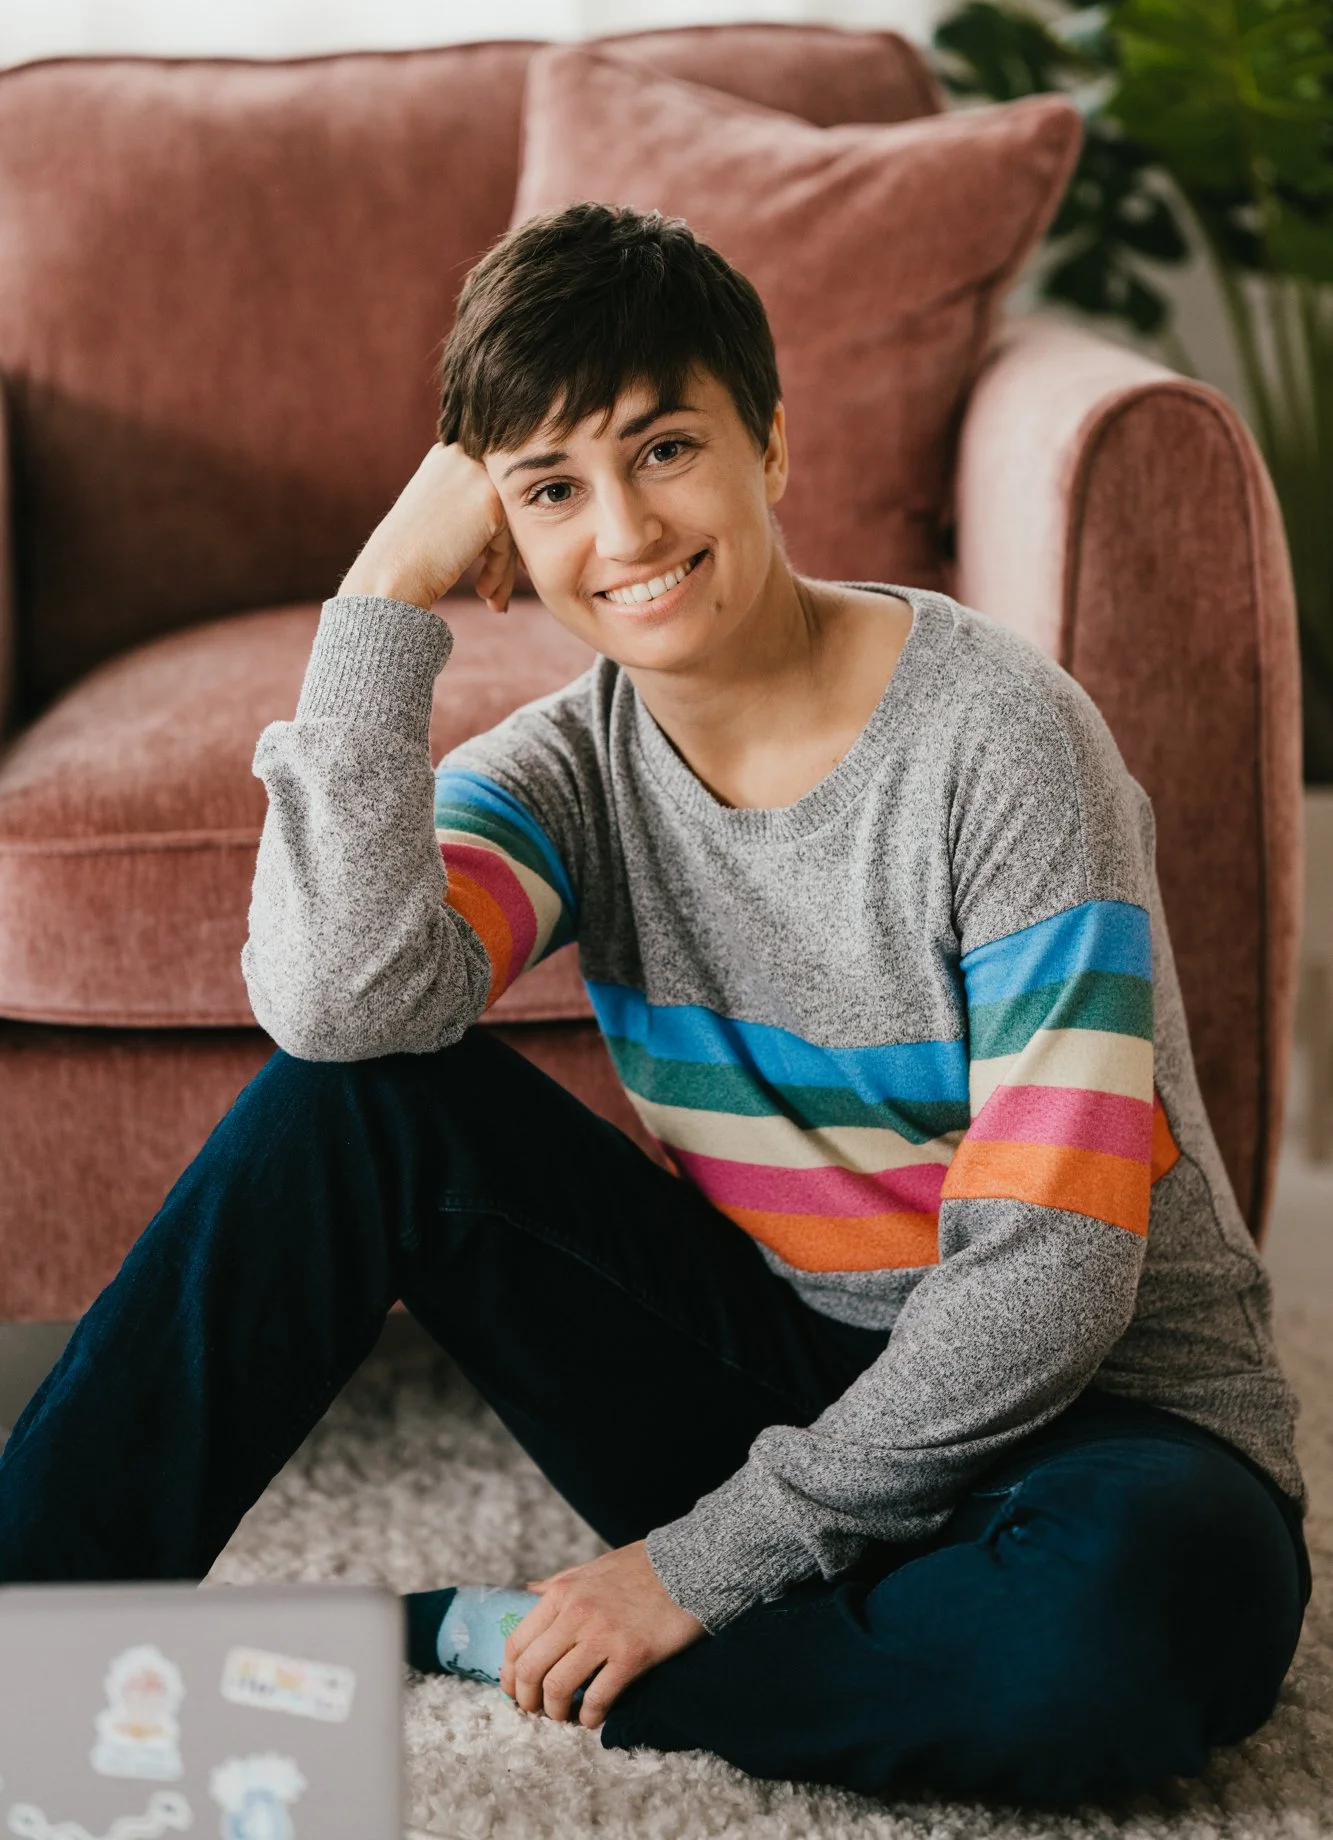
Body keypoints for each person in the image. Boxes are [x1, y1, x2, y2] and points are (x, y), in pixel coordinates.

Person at [0, 203, 1309, 1809]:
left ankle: (483, 1636)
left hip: (1106, 1419)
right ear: (504, 535)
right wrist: (377, 606)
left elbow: (1054, 1277)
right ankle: (28, 1635)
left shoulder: (1002, 744)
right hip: (780, 1376)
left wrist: (697, 1566)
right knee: (359, 1105)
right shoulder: (572, 772)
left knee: (1103, 1655)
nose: (621, 533)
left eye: (664, 449)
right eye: (551, 488)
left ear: (770, 443)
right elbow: (343, 1011)